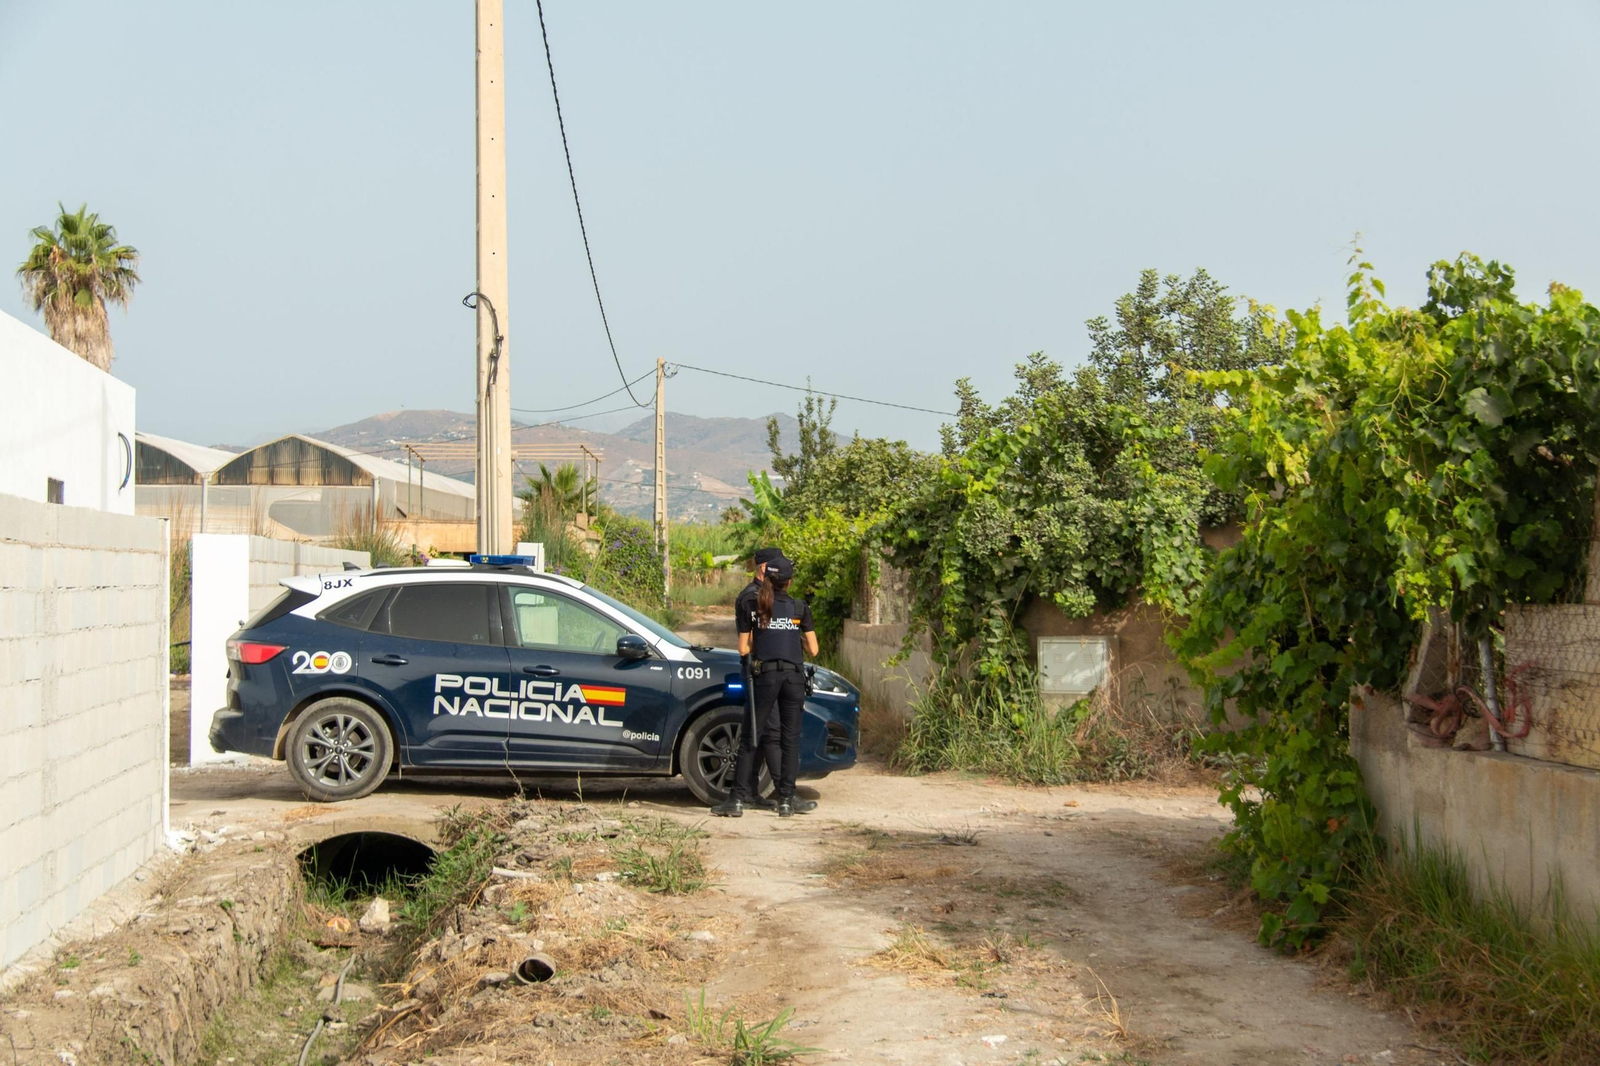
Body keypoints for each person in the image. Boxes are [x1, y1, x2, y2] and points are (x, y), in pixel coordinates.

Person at [712, 555, 819, 818]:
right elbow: (814, 650)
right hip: (794, 678)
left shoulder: (754, 605)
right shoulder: (799, 607)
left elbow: (743, 648)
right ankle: (786, 800)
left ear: (766, 577)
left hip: (766, 677)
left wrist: (765, 636)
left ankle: (736, 800)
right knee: (789, 740)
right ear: (789, 582)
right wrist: (791, 634)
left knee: (751, 736)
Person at [725, 547, 783, 811]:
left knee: (762, 733)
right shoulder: (751, 597)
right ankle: (780, 793)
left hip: (768, 673)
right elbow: (748, 643)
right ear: (764, 568)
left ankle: (748, 791)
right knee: (761, 733)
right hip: (757, 673)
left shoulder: (766, 595)